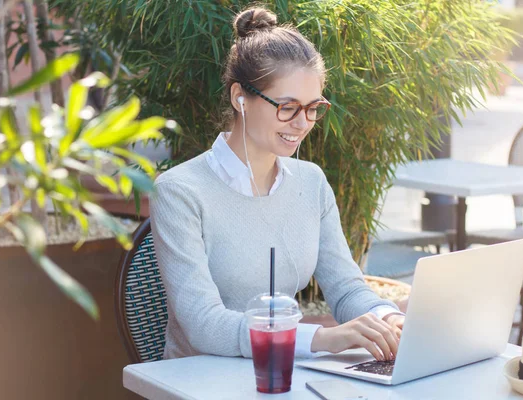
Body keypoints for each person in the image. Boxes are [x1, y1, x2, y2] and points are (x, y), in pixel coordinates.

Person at [149, 7, 406, 362]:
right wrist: (320, 339)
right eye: (287, 107)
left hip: (285, 377)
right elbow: (202, 324)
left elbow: (346, 289)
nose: (302, 123)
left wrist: (390, 319)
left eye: (313, 107)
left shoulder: (310, 182)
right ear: (241, 97)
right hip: (200, 381)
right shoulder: (180, 192)